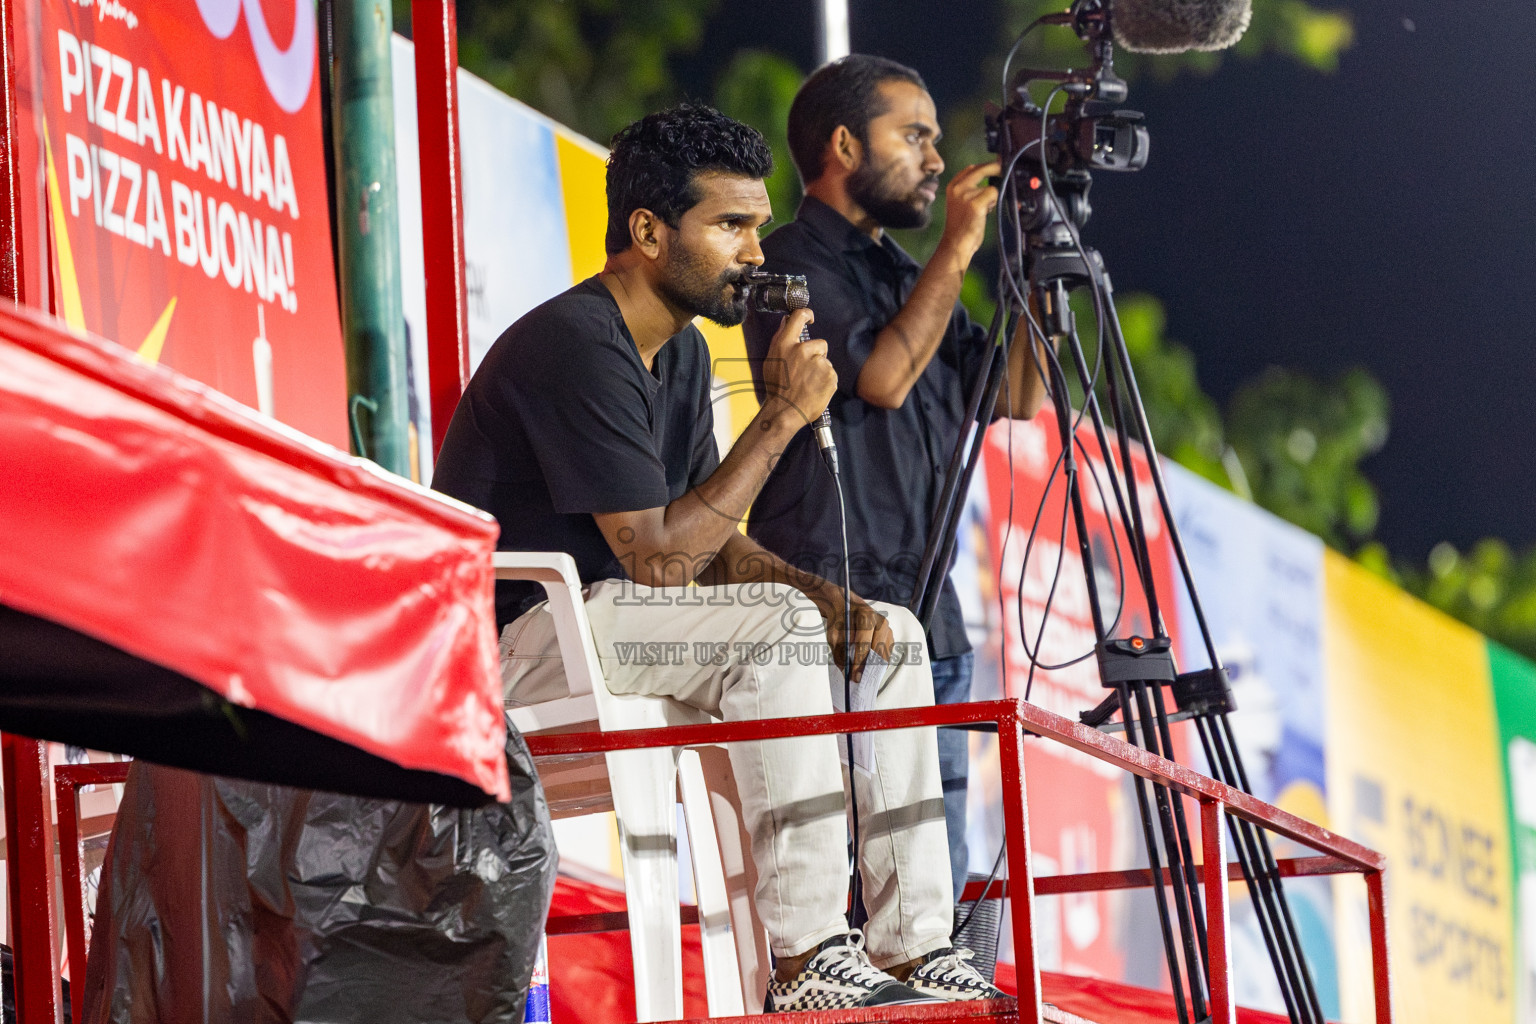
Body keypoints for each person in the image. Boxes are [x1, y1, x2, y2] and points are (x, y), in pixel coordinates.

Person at [432, 105, 1004, 1011]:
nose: (755, 252)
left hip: (616, 621)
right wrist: (781, 417)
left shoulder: (686, 351)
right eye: (731, 226)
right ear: (649, 233)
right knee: (775, 630)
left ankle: (911, 947)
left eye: (756, 225)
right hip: (505, 650)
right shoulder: (578, 338)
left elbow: (714, 544)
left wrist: (827, 598)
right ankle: (807, 956)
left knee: (885, 630)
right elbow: (660, 560)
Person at [743, 55, 1050, 906]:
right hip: (837, 603)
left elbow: (1019, 394)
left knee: (932, 904)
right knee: (852, 895)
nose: (936, 160)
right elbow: (880, 378)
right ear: (844, 144)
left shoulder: (908, 278)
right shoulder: (788, 259)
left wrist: (1034, 265)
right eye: (912, 136)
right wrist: (958, 245)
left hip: (932, 620)